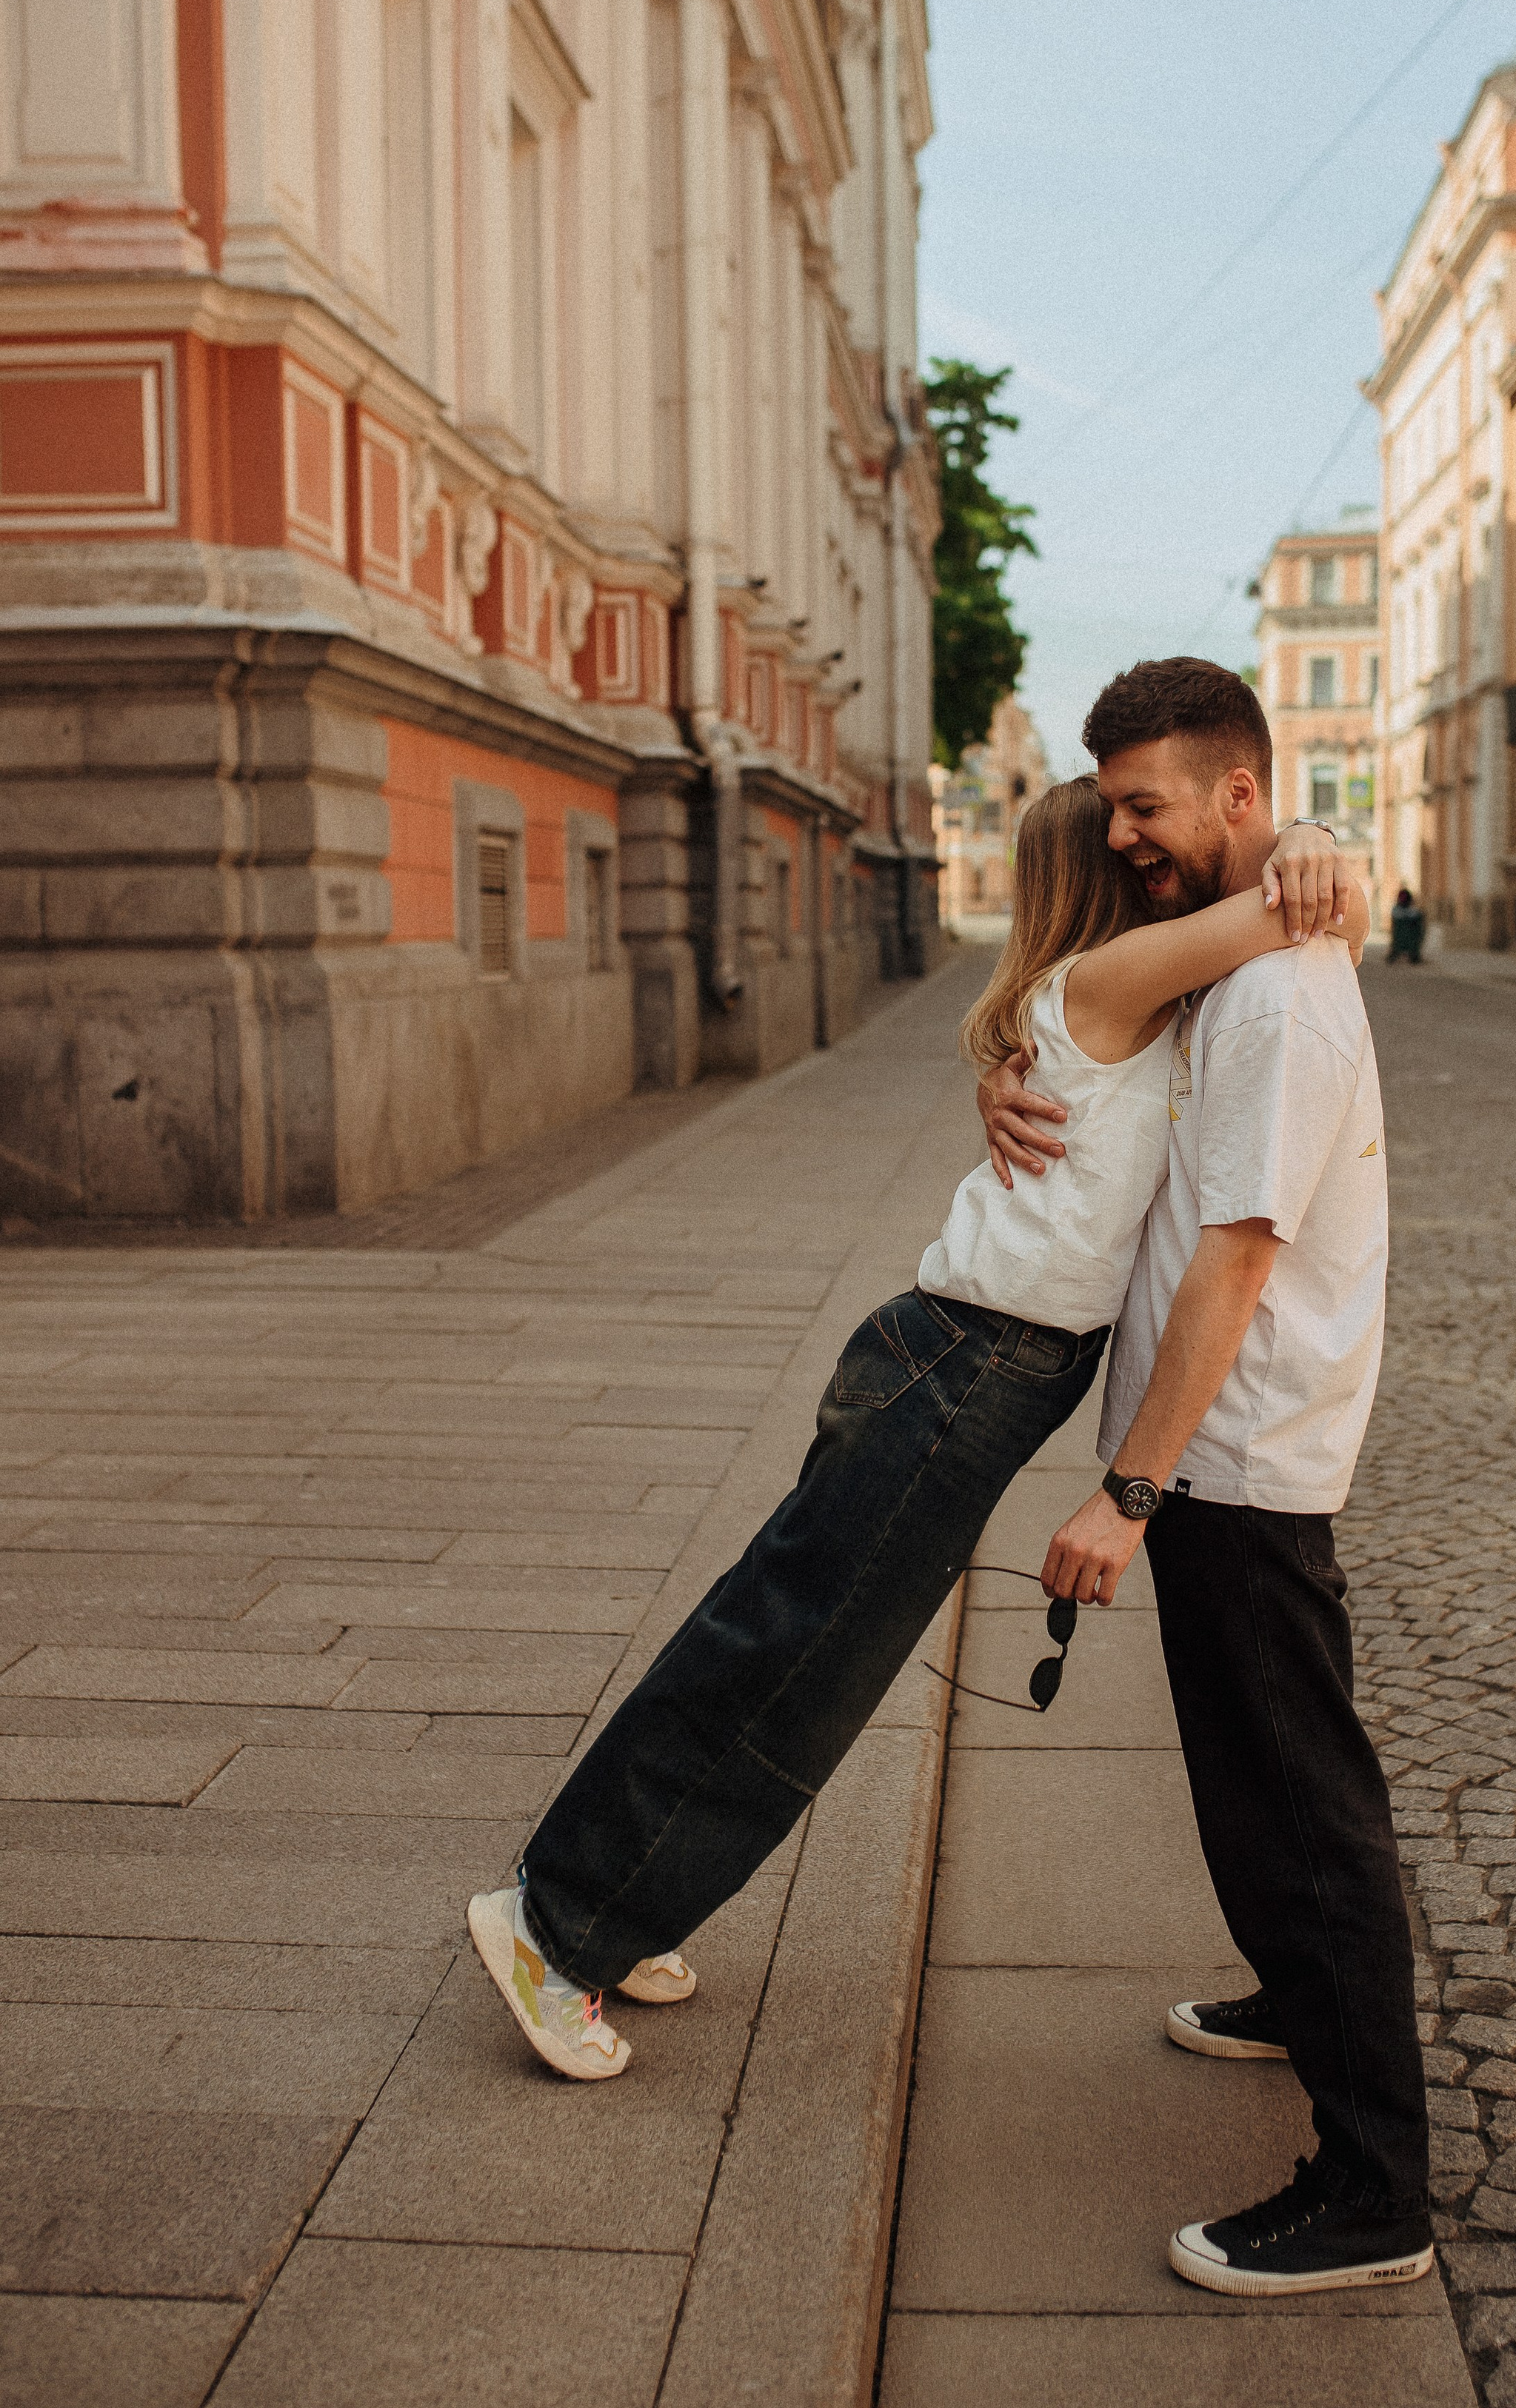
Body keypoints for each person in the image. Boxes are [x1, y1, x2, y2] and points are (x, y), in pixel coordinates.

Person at [467, 774, 1363, 2089]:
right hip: (958, 1364)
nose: (1150, 862)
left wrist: (1308, 843)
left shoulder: (1111, 1009)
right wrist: (1316, 839)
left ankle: (616, 1898)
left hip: (961, 1363)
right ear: (1102, 887)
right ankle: (556, 1925)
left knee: (788, 1640)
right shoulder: (1111, 981)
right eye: (1130, 853)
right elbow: (1283, 911)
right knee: (793, 1661)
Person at [981, 657, 1432, 2298]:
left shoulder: (1282, 992)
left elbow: (1234, 1262)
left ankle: (1373, 2188)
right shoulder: (1241, 959)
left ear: (1238, 797)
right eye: (1110, 810)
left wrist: (1130, 1492)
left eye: (1146, 807)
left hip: (1236, 1457)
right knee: (1259, 1791)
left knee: (1301, 1811)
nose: (1127, 836)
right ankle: (1294, 1995)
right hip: (1226, 1456)